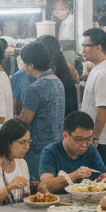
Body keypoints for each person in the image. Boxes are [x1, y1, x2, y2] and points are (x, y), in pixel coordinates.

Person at [79, 28, 106, 174]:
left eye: (86, 46)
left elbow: (103, 108)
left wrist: (95, 137)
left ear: (98, 48)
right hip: (96, 137)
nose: (83, 49)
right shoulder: (99, 68)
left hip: (103, 139)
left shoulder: (105, 73)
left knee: (102, 181)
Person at [17, 42, 65, 177]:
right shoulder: (57, 81)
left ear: (31, 65)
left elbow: (24, 121)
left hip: (38, 149)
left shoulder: (36, 87)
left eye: (25, 63)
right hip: (56, 145)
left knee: (38, 189)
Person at [37, 111, 106, 193]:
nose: (84, 145)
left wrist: (105, 178)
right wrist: (73, 176)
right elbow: (44, 186)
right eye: (79, 140)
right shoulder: (50, 152)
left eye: (89, 139)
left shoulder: (90, 150)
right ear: (65, 135)